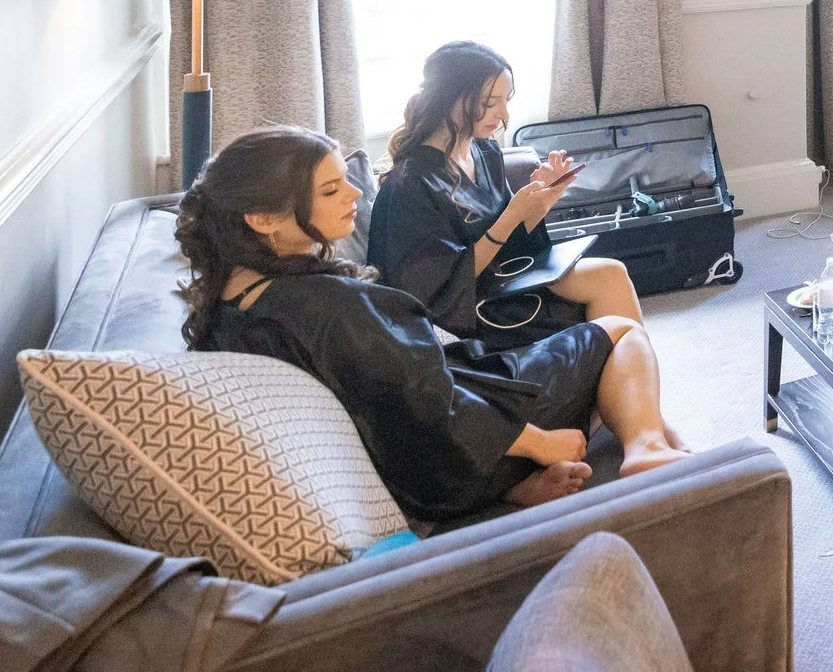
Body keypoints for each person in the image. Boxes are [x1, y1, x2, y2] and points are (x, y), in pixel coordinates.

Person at [178, 126, 688, 523]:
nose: (355, 193)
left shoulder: (227, 304)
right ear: (263, 218)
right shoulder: (333, 306)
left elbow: (387, 397)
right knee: (621, 330)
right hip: (454, 464)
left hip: (414, 471)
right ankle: (643, 446)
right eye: (332, 190)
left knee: (581, 335)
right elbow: (427, 399)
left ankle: (519, 485)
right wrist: (537, 441)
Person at [370, 41, 648, 353]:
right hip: (466, 308)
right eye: (491, 102)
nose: (503, 114)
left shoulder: (484, 151)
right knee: (601, 313)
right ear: (451, 99)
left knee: (611, 273)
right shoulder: (411, 184)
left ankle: (634, 385)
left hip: (504, 279)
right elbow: (434, 288)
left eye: (506, 101)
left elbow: (516, 249)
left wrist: (540, 202)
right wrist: (513, 215)